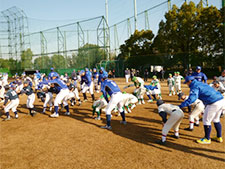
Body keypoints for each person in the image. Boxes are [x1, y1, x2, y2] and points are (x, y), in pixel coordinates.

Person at [179, 76, 225, 144]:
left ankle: (207, 139)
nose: (187, 84)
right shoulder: (200, 83)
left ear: (190, 81)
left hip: (213, 102)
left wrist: (180, 106)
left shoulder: (194, 87)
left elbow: (192, 99)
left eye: (187, 82)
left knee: (206, 120)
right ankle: (219, 137)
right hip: (221, 100)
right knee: (216, 119)